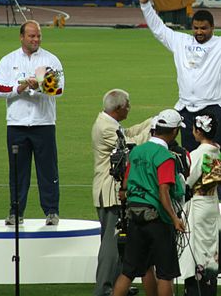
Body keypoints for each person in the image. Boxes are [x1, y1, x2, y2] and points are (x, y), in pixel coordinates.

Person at [136, 0, 221, 215]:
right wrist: (145, 5)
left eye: (203, 28)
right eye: (195, 28)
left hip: (213, 107)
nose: (199, 32)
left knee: (220, 152)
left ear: (212, 28)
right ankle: (195, 196)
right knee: (190, 157)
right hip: (186, 108)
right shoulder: (181, 41)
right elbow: (158, 30)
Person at [0, 20, 65, 226]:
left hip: (44, 123)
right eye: (32, 36)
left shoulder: (51, 60)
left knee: (48, 170)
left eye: (39, 36)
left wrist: (39, 86)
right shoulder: (8, 60)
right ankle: (16, 213)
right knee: (17, 171)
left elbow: (59, 90)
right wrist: (21, 87)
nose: (36, 39)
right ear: (21, 37)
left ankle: (52, 212)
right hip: (16, 124)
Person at [111, 109, 187, 296]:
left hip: (135, 217)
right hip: (158, 219)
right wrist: (174, 219)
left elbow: (126, 184)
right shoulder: (166, 157)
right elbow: (164, 191)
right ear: (174, 131)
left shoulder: (137, 151)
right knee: (165, 274)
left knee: (127, 272)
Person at [91, 89, 153, 296]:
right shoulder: (105, 128)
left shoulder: (109, 122)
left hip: (111, 189)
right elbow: (130, 145)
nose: (129, 108)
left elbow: (128, 133)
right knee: (110, 244)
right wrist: (155, 131)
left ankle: (116, 287)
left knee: (117, 243)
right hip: (110, 191)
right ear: (118, 109)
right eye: (127, 105)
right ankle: (104, 289)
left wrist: (151, 121)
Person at [179, 112, 221, 296]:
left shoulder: (197, 154)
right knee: (210, 252)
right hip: (212, 204)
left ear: (199, 132)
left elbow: (187, 181)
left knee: (196, 252)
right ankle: (209, 287)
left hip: (199, 205)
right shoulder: (218, 152)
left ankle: (196, 291)